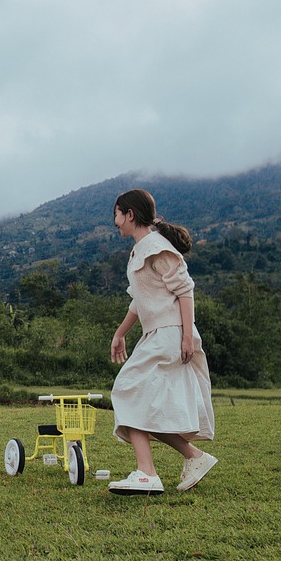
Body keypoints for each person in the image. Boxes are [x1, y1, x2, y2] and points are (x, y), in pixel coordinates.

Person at [106, 189, 216, 494]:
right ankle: (194, 457)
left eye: (117, 214)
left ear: (129, 214)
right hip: (155, 334)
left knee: (127, 391)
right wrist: (120, 333)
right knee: (144, 404)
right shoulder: (140, 250)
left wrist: (186, 336)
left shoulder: (157, 248)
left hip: (169, 334)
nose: (115, 222)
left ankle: (147, 474)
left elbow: (185, 291)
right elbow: (139, 301)